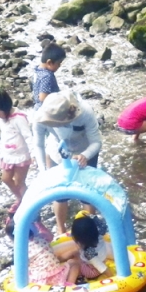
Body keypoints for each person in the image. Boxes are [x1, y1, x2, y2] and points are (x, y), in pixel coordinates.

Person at [0, 89, 53, 242]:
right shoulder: (2, 117)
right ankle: (22, 198)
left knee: (20, 182)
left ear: (3, 107)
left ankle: (27, 204)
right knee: (6, 179)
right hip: (8, 156)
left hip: (21, 157)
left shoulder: (18, 118)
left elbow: (28, 136)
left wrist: (34, 154)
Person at [34, 91, 103, 235]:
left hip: (85, 151)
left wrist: (85, 155)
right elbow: (38, 145)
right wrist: (43, 172)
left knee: (87, 194)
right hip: (57, 152)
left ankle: (88, 231)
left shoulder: (85, 112)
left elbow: (96, 142)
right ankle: (61, 229)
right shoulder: (40, 116)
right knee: (60, 194)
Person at [5, 221, 81, 286]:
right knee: (74, 263)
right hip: (57, 277)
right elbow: (50, 236)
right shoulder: (42, 238)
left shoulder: (21, 249)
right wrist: (38, 223)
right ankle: (70, 285)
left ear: (12, 238)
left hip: (40, 282)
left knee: (26, 268)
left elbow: (22, 267)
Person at [68, 211, 114, 283]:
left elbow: (101, 267)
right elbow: (102, 225)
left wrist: (113, 278)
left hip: (92, 271)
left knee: (72, 263)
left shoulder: (89, 252)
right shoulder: (99, 235)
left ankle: (70, 283)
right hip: (100, 261)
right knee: (75, 253)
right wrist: (91, 216)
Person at [33, 42, 66, 110]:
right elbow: (43, 97)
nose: (59, 66)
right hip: (46, 112)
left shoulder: (37, 70)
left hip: (37, 107)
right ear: (49, 63)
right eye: (58, 63)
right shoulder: (47, 76)